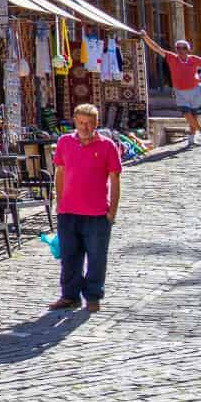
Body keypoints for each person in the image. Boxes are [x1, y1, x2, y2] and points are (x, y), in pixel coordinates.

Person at [50, 103, 121, 312]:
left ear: (96, 123)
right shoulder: (64, 142)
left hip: (97, 213)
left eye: (89, 123)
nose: (85, 127)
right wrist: (60, 202)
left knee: (97, 257)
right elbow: (60, 173)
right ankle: (69, 296)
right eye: (81, 123)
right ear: (75, 121)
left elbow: (115, 179)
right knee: (70, 256)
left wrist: (112, 211)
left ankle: (93, 295)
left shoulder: (107, 146)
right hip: (69, 212)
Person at [140, 31, 201, 145]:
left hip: (195, 89)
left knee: (194, 114)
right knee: (186, 113)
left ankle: (192, 138)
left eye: (183, 48)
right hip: (180, 90)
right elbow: (157, 48)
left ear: (187, 49)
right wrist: (145, 37)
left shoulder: (193, 59)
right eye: (178, 48)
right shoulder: (172, 57)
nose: (180, 50)